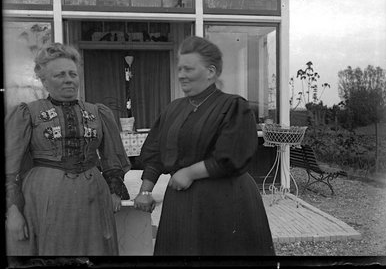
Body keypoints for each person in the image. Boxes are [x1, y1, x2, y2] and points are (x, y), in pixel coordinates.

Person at [134, 36, 275, 255]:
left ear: (210, 72)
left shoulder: (234, 106)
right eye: (180, 69)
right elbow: (154, 153)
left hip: (224, 201)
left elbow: (232, 156)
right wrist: (145, 191)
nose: (181, 75)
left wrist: (190, 172)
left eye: (188, 69)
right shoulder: (173, 109)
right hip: (180, 202)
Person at [5, 43, 131, 256]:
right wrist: (14, 210)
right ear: (44, 81)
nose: (68, 79)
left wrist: (114, 190)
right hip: (44, 194)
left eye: (73, 74)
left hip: (93, 195)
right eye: (59, 75)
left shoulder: (98, 112)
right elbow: (11, 164)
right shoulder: (28, 113)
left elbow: (112, 156)